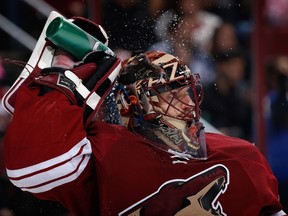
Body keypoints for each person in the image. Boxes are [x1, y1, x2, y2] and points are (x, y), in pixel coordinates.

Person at [2, 13, 287, 216]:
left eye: (186, 88)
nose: (184, 101)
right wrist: (64, 82)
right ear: (131, 102)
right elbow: (31, 169)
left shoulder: (238, 154)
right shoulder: (106, 151)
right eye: (167, 91)